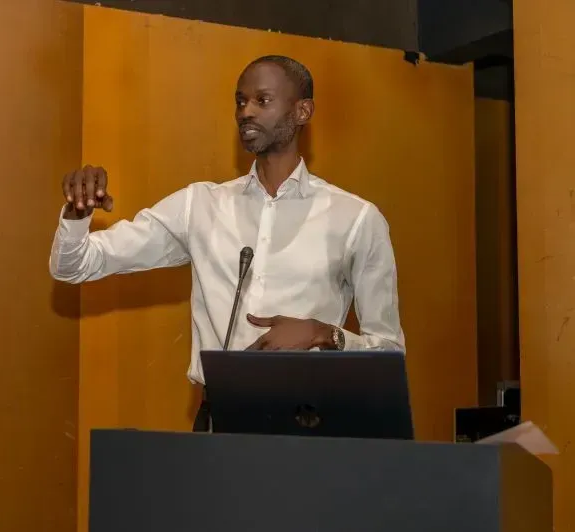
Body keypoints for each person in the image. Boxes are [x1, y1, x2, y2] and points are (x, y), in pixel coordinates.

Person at [49, 55, 405, 430]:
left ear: (302, 111)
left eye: (262, 100)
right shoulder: (199, 206)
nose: (245, 112)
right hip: (218, 421)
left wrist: (324, 334)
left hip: (310, 426)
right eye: (240, 101)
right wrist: (77, 214)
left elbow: (389, 353)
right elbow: (75, 266)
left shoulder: (357, 218)